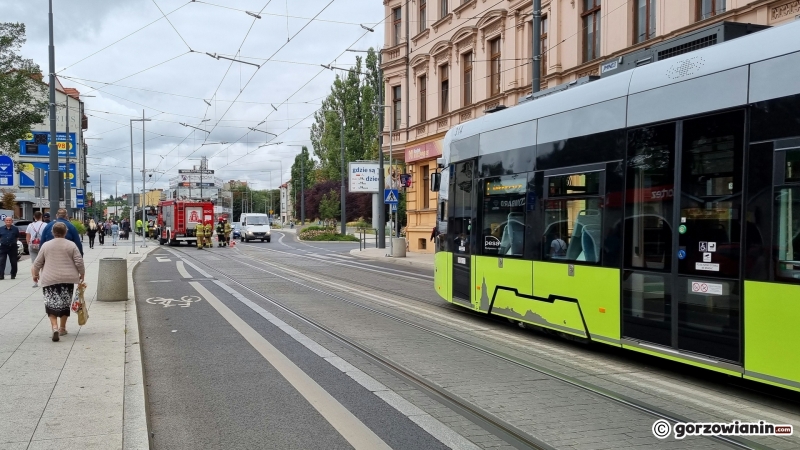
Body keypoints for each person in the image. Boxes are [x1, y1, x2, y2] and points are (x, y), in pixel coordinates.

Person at [31, 222, 85, 342]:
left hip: (50, 279)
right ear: (65, 232)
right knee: (65, 303)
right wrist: (82, 273)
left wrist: (35, 274)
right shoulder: (71, 245)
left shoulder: (46, 245)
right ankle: (62, 328)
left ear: (53, 232)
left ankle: (54, 327)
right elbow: (79, 261)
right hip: (67, 279)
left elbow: (37, 262)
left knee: (51, 303)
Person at [26, 212, 47, 286]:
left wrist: (29, 243)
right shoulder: (45, 225)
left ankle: (35, 281)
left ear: (34, 217)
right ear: (41, 216)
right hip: (42, 245)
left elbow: (28, 236)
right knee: (44, 263)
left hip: (32, 245)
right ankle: (43, 280)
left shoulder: (30, 225)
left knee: (34, 263)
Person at [0, 216, 20, 280]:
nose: (8, 221)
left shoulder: (15, 229)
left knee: (13, 262)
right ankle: (1, 275)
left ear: (12, 221)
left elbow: (17, 237)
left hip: (12, 247)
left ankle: (13, 274)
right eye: (7, 220)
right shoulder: (1, 229)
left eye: (9, 220)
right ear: (4, 221)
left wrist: (13, 242)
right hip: (3, 247)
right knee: (1, 261)